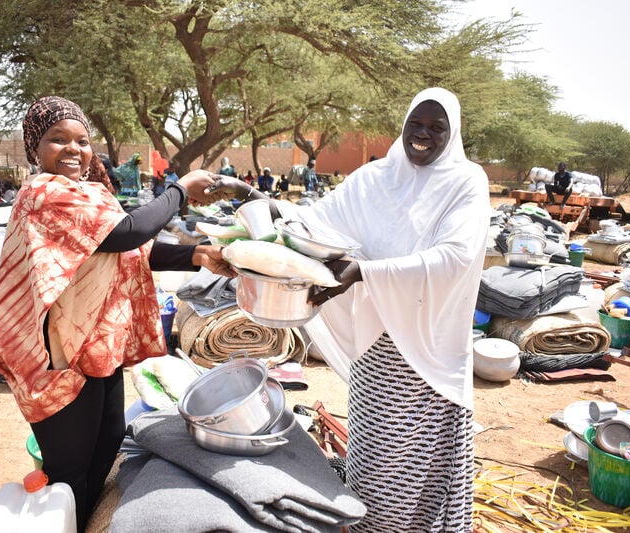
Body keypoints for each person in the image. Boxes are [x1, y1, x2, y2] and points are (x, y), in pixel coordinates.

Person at [206, 87, 489, 531]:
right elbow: (314, 222)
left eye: (437, 127)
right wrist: (251, 195)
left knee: (414, 460)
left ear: (452, 134)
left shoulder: (465, 182)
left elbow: (455, 257)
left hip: (424, 347)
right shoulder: (375, 179)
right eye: (416, 123)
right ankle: (367, 522)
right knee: (373, 450)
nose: (423, 135)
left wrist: (364, 272)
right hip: (375, 341)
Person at [0, 96, 234, 532]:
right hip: (59, 351)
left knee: (106, 446)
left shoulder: (92, 193)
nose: (73, 149)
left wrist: (196, 254)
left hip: (100, 343)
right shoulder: (43, 193)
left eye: (82, 141)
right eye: (57, 139)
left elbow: (127, 248)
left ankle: (79, 522)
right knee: (70, 468)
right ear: (34, 148)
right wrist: (179, 189)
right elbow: (127, 233)